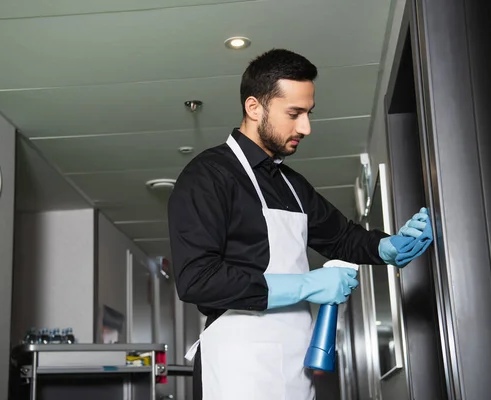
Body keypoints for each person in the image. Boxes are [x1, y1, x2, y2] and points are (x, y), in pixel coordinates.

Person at [167, 49, 433, 400]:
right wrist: (306, 285)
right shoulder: (208, 176)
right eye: (294, 114)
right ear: (254, 108)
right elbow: (197, 280)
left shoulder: (290, 183)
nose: (305, 127)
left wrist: (388, 247)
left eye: (308, 113)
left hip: (295, 364)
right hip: (238, 363)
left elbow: (341, 237)